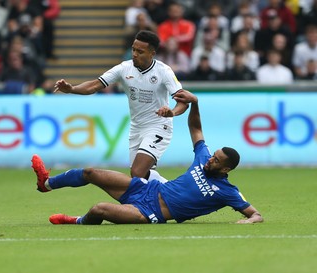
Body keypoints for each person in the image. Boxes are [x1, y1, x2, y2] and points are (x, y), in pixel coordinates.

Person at [31, 90, 264, 225]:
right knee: (90, 172)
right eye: (213, 155)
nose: (210, 159)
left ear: (225, 170)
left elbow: (256, 214)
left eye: (216, 160)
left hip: (150, 212)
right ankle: (47, 184)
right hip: (145, 190)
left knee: (99, 209)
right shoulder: (202, 160)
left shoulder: (227, 192)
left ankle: (75, 221)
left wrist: (248, 220)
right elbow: (196, 129)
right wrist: (195, 103)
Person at [54, 30, 188, 182]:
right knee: (140, 178)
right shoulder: (124, 68)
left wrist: (172, 112)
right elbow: (94, 85)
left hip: (159, 126)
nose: (135, 54)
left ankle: (176, 193)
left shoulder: (164, 72)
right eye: (133, 49)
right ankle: (172, 193)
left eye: (140, 51)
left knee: (138, 172)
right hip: (136, 128)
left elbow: (183, 101)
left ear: (152, 53)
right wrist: (72, 89)